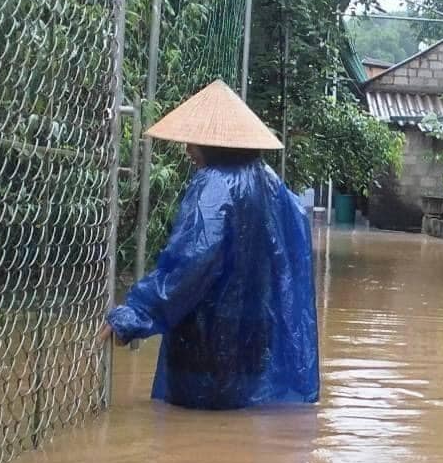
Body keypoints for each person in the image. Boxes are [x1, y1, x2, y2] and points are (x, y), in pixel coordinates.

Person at [102, 80, 319, 409]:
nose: (188, 150)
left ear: (213, 143)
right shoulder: (269, 180)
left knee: (191, 437)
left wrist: (135, 314)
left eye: (194, 141)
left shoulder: (214, 186)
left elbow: (190, 263)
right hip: (255, 339)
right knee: (240, 436)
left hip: (207, 341)